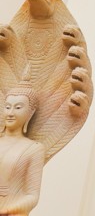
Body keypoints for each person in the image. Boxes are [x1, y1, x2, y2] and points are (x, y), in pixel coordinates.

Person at [0, 87, 44, 215]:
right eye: (7, 107)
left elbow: (32, 196)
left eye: (18, 108)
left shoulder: (34, 149)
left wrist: (7, 210)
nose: (10, 113)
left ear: (30, 112)